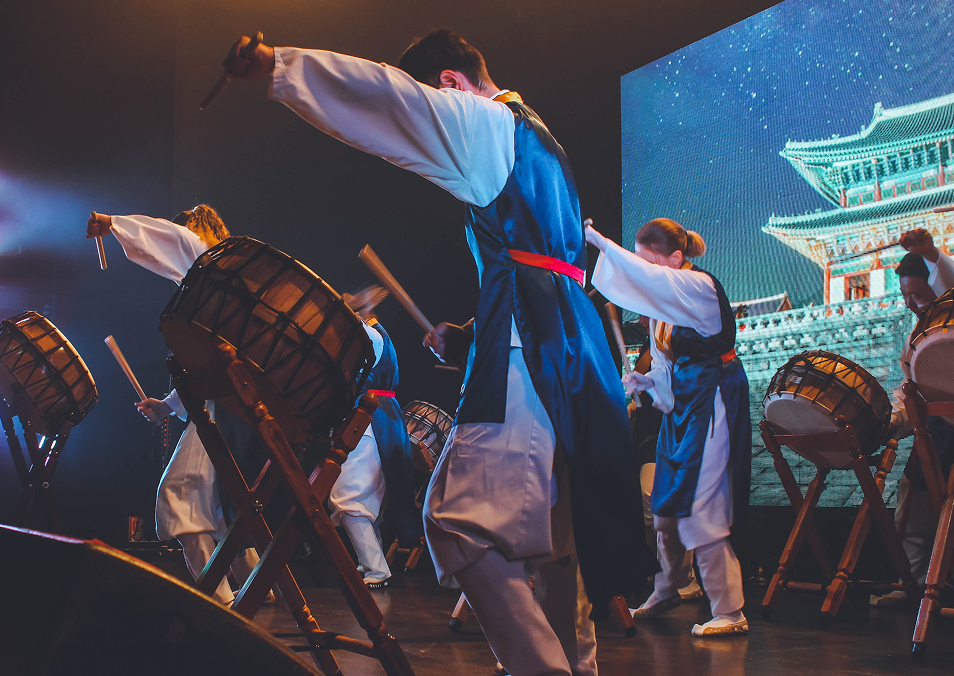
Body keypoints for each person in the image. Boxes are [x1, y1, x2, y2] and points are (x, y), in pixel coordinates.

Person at [221, 29, 652, 675]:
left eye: (435, 95)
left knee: (457, 523)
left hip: (533, 340)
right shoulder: (539, 139)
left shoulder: (486, 117)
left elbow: (390, 101)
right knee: (562, 538)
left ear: (449, 83)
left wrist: (280, 65)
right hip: (565, 338)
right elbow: (537, 265)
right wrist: (471, 334)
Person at [86, 205, 265, 606]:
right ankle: (255, 582)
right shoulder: (221, 282)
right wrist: (167, 406)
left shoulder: (205, 260)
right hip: (226, 403)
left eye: (187, 226)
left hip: (220, 407)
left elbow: (174, 238)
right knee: (216, 503)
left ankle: (218, 596)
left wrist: (114, 224)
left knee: (180, 497)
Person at [586, 219, 751, 637]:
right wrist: (647, 382)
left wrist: (601, 243)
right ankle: (668, 587)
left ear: (676, 259)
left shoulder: (700, 287)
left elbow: (648, 280)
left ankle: (730, 609)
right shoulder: (663, 314)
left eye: (650, 260)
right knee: (665, 504)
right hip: (682, 407)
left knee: (703, 506)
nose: (645, 270)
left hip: (713, 399)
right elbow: (666, 366)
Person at [872, 250, 954, 606]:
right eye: (904, 296)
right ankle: (916, 586)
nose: (910, 304)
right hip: (937, 434)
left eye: (917, 295)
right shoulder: (916, 340)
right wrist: (887, 424)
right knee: (913, 501)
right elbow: (910, 399)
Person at [331, 286, 416, 589]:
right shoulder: (375, 333)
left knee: (349, 497)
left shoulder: (368, 335)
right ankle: (371, 564)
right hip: (377, 419)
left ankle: (377, 570)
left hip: (368, 420)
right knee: (361, 498)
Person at [629, 317, 704, 606]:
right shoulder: (651, 349)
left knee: (665, 504)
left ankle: (684, 579)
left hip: (672, 432)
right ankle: (664, 573)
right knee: (650, 507)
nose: (638, 319)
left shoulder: (676, 347)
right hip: (650, 435)